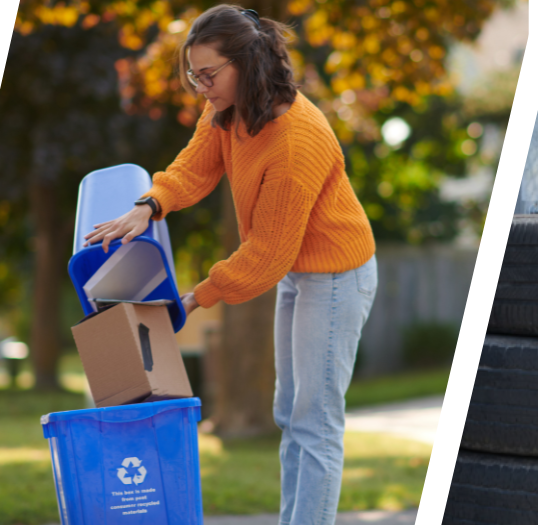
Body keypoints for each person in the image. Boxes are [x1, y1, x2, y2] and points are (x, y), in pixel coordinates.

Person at [84, 5, 378, 524]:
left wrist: (196, 296)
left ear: (247, 62)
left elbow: (266, 254)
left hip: (335, 278)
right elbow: (196, 164)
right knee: (291, 415)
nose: (201, 87)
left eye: (210, 75)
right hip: (299, 273)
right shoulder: (229, 109)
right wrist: (148, 204)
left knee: (316, 424)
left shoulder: (293, 142)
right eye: (195, 76)